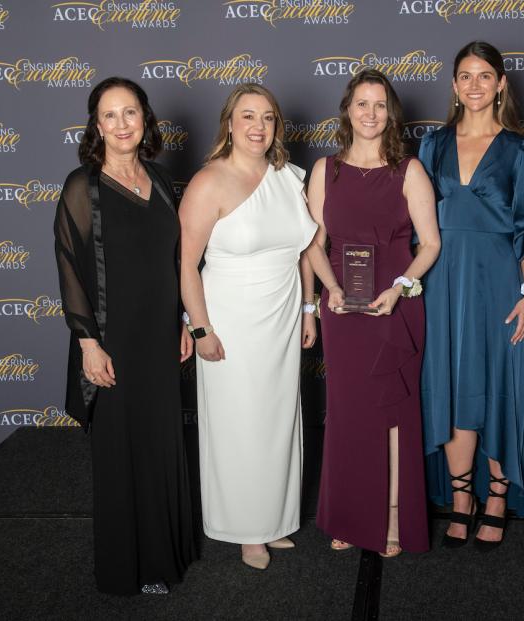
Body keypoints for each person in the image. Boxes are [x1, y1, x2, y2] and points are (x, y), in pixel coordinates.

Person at [53, 76, 197, 595]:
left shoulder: (159, 180)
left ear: (145, 119)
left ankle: (166, 552)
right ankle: (128, 568)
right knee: (122, 453)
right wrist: (88, 342)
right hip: (113, 342)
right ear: (96, 125)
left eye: (130, 113)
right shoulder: (81, 186)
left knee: (161, 444)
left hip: (160, 336)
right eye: (110, 115)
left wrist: (183, 318)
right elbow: (69, 263)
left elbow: (174, 259)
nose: (121, 124)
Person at [179, 84, 318, 571]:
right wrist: (200, 329)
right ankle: (245, 531)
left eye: (268, 118)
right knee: (240, 424)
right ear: (230, 124)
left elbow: (302, 250)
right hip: (230, 319)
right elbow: (186, 265)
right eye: (248, 117)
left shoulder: (289, 176)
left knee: (279, 421)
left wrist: (308, 309)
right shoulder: (208, 182)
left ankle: (274, 519)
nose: (259, 126)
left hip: (281, 318)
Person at [418, 41, 524, 549]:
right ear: (453, 85)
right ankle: (460, 498)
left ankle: (497, 495)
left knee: (495, 384)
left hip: (497, 279)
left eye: (485, 76)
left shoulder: (520, 147)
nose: (474, 85)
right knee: (452, 385)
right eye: (465, 76)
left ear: (501, 84)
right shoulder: (431, 145)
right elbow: (416, 222)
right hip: (442, 280)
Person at [306, 68, 441, 557]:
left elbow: (430, 244)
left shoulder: (409, 170)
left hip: (394, 308)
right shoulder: (327, 170)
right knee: (346, 415)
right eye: (361, 104)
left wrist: (401, 287)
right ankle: (346, 514)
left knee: (391, 418)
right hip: (343, 308)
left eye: (379, 105)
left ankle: (390, 520)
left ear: (391, 114)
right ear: (347, 110)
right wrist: (332, 289)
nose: (370, 113)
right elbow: (314, 244)